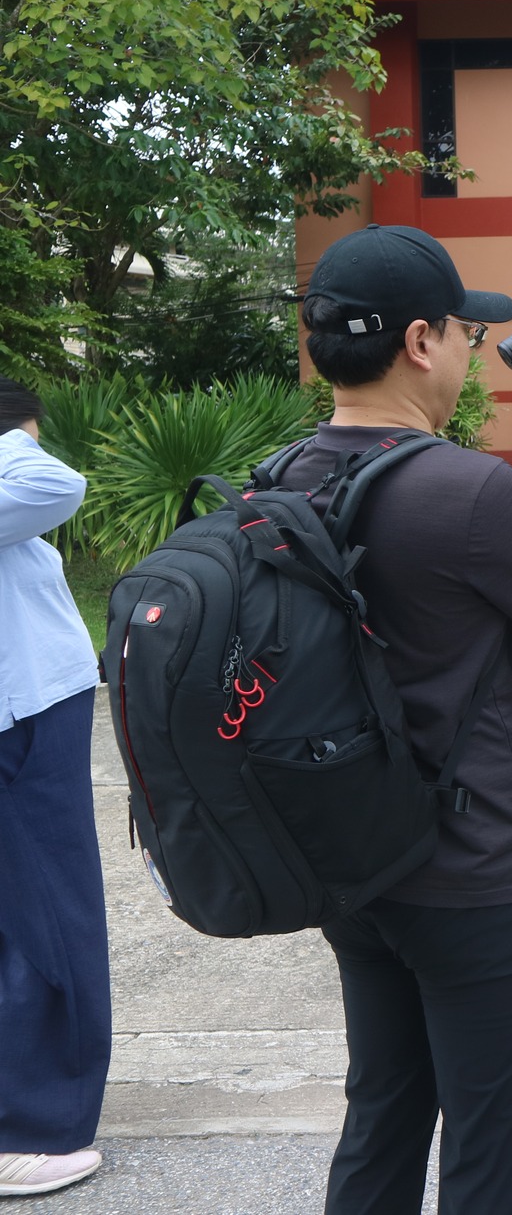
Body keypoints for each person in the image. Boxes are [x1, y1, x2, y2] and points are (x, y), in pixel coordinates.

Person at [283, 224, 512, 1215]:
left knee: (382, 1119)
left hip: (359, 873)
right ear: (419, 341)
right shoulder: (467, 487)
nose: (473, 351)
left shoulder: (285, 475)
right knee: (493, 1159)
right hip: (480, 883)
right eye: (465, 335)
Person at [0, 378, 109, 1199]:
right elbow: (53, 481)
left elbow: (46, 485)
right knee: (47, 918)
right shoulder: (22, 469)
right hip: (24, 711)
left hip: (36, 702)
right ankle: (30, 1128)